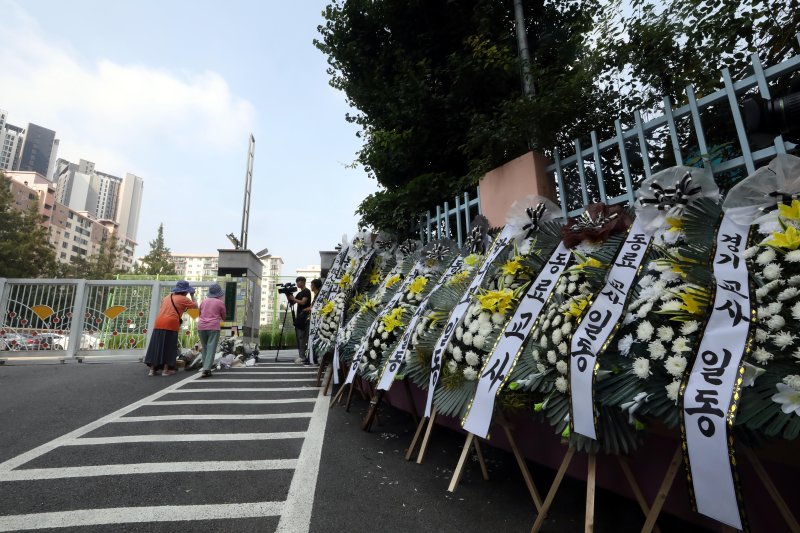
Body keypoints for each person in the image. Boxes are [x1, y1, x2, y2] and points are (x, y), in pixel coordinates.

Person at [144, 280, 198, 376]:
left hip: (159, 322)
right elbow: (195, 307)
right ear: (185, 291)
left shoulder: (167, 297)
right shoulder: (184, 299)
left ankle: (152, 370)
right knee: (169, 346)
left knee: (157, 346)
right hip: (171, 324)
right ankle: (166, 370)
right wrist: (192, 295)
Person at [197, 283, 227, 378]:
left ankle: (205, 367)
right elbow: (224, 316)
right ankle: (206, 369)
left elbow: (199, 313)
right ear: (219, 294)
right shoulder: (220, 303)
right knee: (211, 348)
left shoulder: (203, 301)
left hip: (201, 326)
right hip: (213, 327)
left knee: (205, 347)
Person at [287, 276, 312, 364]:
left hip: (304, 317)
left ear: (303, 282)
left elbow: (303, 302)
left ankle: (303, 356)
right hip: (299, 317)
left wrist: (293, 298)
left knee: (303, 337)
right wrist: (288, 295)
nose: (297, 283)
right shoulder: (300, 293)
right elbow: (292, 302)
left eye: (298, 282)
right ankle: (302, 355)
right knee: (300, 337)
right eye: (297, 282)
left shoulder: (306, 291)